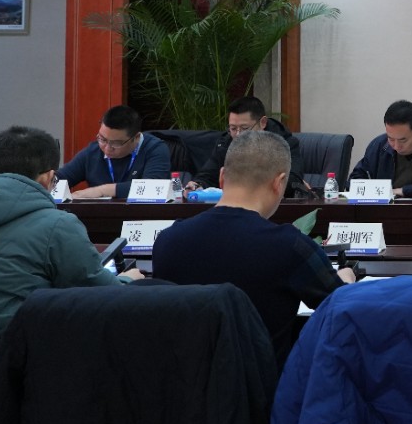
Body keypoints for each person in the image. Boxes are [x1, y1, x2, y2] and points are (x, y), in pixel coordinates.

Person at [0, 126, 138, 422]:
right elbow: (105, 298)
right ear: (47, 179)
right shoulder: (57, 226)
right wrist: (130, 280)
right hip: (4, 388)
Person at [152, 129, 355, 366]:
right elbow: (341, 309)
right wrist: (346, 280)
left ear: (222, 177)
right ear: (279, 183)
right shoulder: (289, 246)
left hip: (185, 382)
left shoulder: (168, 241)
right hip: (264, 384)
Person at [187, 95, 312, 197]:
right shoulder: (225, 143)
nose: (238, 135)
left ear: (262, 123)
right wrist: (197, 185)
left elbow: (292, 182)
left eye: (245, 128)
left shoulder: (285, 143)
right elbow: (207, 175)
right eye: (233, 128)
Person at [56, 104, 173, 199]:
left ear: (136, 138)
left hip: (141, 216)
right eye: (102, 139)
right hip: (100, 217)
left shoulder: (155, 149)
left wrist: (102, 191)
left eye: (116, 143)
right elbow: (60, 178)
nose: (107, 148)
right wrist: (48, 177)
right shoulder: (93, 152)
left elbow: (153, 187)